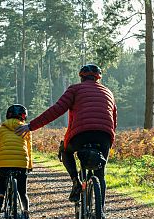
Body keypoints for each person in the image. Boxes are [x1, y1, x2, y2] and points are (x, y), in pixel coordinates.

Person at [16, 64, 116, 210]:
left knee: (65, 150)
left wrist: (31, 126)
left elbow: (56, 110)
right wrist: (108, 141)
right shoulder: (108, 92)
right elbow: (114, 119)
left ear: (81, 77)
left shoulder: (75, 89)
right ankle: (101, 216)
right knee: (100, 175)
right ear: (98, 78)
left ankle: (76, 181)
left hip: (80, 135)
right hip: (104, 136)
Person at [0, 104, 34, 219]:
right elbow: (29, 149)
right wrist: (30, 166)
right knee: (23, 192)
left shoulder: (0, 130)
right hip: (21, 163)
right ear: (23, 116)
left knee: (2, 178)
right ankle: (26, 216)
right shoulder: (26, 129)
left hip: (3, 162)